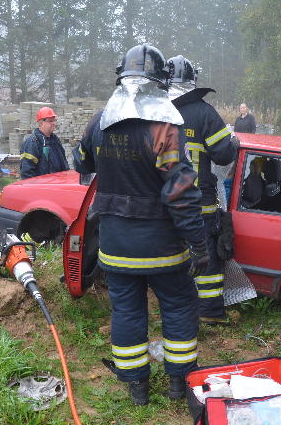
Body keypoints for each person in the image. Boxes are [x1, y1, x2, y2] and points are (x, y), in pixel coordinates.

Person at [73, 44, 208, 406]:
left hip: (116, 246)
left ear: (121, 78)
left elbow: (81, 162)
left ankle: (138, 389)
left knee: (127, 312)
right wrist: (199, 245)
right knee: (178, 307)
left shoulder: (99, 123)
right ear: (161, 84)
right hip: (163, 248)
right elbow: (180, 193)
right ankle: (179, 384)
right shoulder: (164, 130)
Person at [167, 55, 238, 325]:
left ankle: (176, 307)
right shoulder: (204, 112)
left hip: (167, 203)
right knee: (206, 257)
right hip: (200, 204)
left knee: (173, 256)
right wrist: (233, 142)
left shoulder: (156, 112)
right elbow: (222, 154)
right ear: (193, 81)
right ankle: (209, 311)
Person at [19, 106, 69, 179]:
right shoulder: (32, 142)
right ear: (42, 123)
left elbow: (64, 163)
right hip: (43, 187)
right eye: (50, 121)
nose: (54, 123)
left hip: (58, 185)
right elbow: (27, 173)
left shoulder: (55, 140)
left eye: (54, 120)